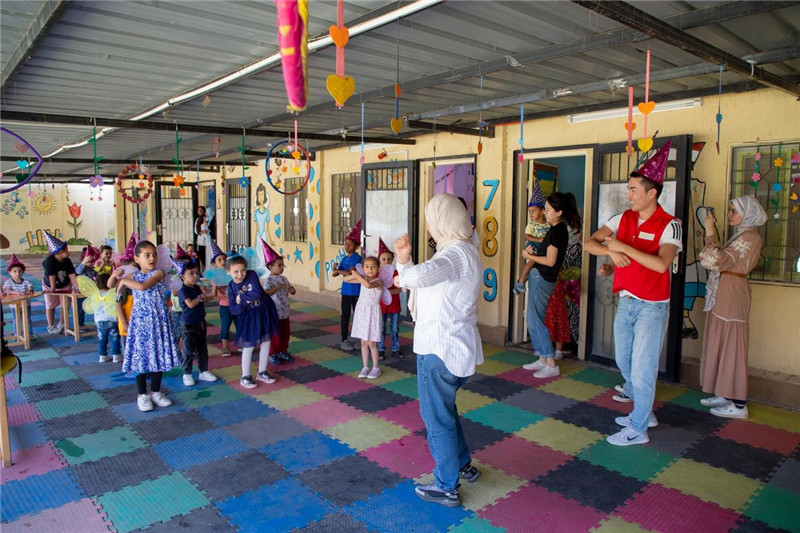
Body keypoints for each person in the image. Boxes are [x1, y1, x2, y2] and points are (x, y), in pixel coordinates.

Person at [584, 140, 682, 446]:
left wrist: (622, 247)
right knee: (625, 363)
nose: (628, 195)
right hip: (625, 302)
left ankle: (638, 428)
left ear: (652, 192)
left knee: (642, 367)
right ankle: (645, 412)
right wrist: (611, 257)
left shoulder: (671, 225)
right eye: (628, 189)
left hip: (652, 307)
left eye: (633, 189)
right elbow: (590, 243)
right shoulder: (621, 218)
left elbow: (661, 264)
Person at [394, 193, 483, 508]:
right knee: (446, 410)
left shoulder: (454, 255)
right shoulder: (466, 249)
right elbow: (425, 277)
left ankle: (446, 486)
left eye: (431, 220)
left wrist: (403, 260)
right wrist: (405, 265)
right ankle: (462, 463)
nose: (429, 227)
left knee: (436, 417)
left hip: (440, 349)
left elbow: (416, 277)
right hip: (456, 349)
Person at [698, 196, 766, 419]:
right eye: (728, 210)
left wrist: (709, 230)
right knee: (722, 340)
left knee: (732, 344)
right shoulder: (742, 235)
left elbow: (715, 260)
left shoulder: (749, 237)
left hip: (732, 293)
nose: (729, 215)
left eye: (733, 211)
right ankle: (725, 393)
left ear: (747, 214)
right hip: (726, 290)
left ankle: (738, 404)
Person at [109, 241, 181, 412]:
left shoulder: (159, 273)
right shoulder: (133, 276)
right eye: (147, 255)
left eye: (154, 254)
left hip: (158, 322)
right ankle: (142, 394)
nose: (152, 258)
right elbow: (111, 285)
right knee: (140, 357)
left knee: (158, 356)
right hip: (140, 323)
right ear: (137, 259)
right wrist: (115, 275)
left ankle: (155, 391)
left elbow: (142, 287)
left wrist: (124, 282)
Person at [520, 192, 578, 378]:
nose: (545, 213)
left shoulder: (557, 231)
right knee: (532, 319)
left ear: (559, 212)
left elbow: (550, 261)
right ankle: (543, 358)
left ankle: (551, 363)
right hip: (541, 277)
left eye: (547, 209)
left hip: (543, 278)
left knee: (536, 320)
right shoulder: (555, 229)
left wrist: (529, 257)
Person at [226, 254, 280, 389]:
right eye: (236, 272)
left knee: (266, 342)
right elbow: (234, 309)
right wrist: (245, 303)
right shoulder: (231, 288)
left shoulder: (252, 275)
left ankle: (262, 372)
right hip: (249, 317)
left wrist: (241, 297)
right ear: (228, 271)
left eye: (242, 270)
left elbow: (257, 293)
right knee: (248, 345)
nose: (240, 274)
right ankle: (245, 376)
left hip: (264, 311)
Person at [544, 192, 583, 359]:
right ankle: (572, 342)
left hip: (560, 271)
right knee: (572, 307)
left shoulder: (560, 228)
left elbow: (553, 256)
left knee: (560, 309)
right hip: (575, 271)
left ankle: (560, 345)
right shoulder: (579, 223)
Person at [176, 260, 218, 386]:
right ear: (183, 276)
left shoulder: (196, 288)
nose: (196, 276)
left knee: (202, 349)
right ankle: (187, 374)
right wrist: (200, 297)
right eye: (191, 273)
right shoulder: (183, 290)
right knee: (188, 351)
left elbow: (203, 301)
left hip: (200, 323)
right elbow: (190, 304)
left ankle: (203, 371)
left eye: (196, 273)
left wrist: (211, 293)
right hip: (188, 324)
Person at [344, 256, 384, 379]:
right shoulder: (363, 278)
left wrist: (358, 276)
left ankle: (376, 367)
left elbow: (367, 285)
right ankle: (365, 366)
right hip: (362, 313)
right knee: (363, 342)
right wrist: (355, 275)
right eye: (366, 267)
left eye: (373, 266)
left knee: (372, 342)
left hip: (372, 313)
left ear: (378, 268)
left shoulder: (378, 281)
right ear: (363, 268)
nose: (370, 269)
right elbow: (346, 279)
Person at [513, 181, 550, 296]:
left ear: (542, 211)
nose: (531, 214)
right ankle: (521, 281)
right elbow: (526, 236)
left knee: (540, 264)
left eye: (533, 211)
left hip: (544, 248)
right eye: (530, 211)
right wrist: (539, 240)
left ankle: (526, 278)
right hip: (533, 246)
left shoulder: (549, 224)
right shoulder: (532, 225)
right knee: (532, 260)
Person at [262, 240, 296, 365]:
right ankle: (273, 353)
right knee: (275, 333)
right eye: (279, 265)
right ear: (271, 267)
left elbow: (291, 289)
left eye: (282, 265)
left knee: (285, 332)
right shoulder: (269, 280)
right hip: (274, 312)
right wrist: (277, 288)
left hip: (284, 311)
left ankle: (283, 350)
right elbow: (266, 294)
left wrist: (292, 289)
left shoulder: (284, 279)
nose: (282, 267)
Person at [332, 219, 363, 352]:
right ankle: (344, 339)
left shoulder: (358, 259)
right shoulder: (345, 259)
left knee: (358, 316)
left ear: (356, 247)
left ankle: (358, 339)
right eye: (346, 244)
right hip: (345, 292)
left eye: (350, 245)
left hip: (356, 292)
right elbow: (336, 274)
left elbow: (350, 272)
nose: (346, 247)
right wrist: (335, 269)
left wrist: (338, 270)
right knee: (344, 316)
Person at [41, 231, 79, 334]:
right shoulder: (49, 261)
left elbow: (72, 275)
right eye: (67, 249)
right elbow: (51, 276)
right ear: (61, 251)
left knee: (65, 305)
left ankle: (62, 324)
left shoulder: (67, 261)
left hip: (65, 285)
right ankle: (51, 325)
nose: (68, 251)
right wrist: (52, 290)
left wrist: (77, 287)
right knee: (50, 306)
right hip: (49, 285)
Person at [208, 240, 236, 357]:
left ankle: (240, 344)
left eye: (224, 259)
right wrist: (214, 286)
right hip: (224, 306)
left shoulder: (231, 272)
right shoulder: (214, 277)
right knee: (225, 326)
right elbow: (213, 295)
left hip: (236, 304)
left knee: (240, 324)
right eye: (219, 260)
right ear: (214, 264)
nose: (223, 261)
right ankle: (225, 347)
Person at [377, 239, 403, 359]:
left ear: (392, 260)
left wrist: (387, 292)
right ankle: (381, 349)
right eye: (383, 259)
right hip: (381, 306)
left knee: (394, 328)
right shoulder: (377, 274)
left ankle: (395, 348)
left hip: (394, 306)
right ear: (379, 260)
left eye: (389, 259)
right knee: (381, 328)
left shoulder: (396, 273)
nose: (386, 261)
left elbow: (399, 289)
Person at [3, 254, 34, 338]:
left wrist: (29, 290)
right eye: (15, 271)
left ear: (23, 271)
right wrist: (16, 293)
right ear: (10, 272)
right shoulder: (8, 282)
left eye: (20, 271)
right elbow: (7, 290)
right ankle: (17, 333)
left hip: (26, 304)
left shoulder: (26, 281)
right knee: (16, 319)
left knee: (27, 319)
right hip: (14, 305)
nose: (17, 273)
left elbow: (30, 287)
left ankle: (30, 334)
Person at [93, 273, 122, 364]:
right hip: (112, 319)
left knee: (102, 338)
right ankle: (116, 355)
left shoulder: (95, 295)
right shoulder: (113, 293)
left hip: (100, 320)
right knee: (115, 338)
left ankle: (102, 355)